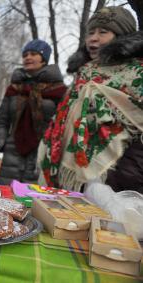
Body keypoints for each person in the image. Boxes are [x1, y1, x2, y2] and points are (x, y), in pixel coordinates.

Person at [38, 6, 143, 193]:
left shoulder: (137, 73)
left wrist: (127, 172)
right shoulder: (85, 72)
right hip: (70, 174)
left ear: (122, 36)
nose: (94, 38)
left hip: (117, 177)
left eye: (103, 32)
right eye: (91, 32)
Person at [0, 39, 67, 185]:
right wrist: (2, 141)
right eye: (25, 55)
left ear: (44, 59)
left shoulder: (58, 89)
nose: (28, 57)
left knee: (34, 198)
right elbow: (2, 119)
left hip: (42, 151)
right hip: (12, 151)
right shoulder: (14, 88)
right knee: (7, 196)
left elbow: (63, 122)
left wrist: (54, 147)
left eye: (33, 54)